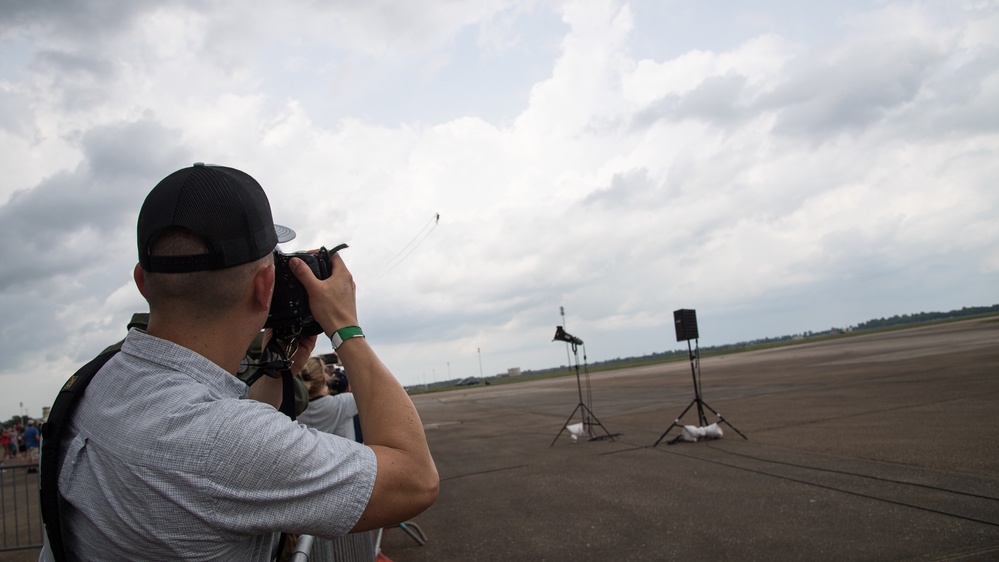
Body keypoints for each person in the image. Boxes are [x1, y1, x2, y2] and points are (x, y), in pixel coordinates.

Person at [41, 163, 438, 561]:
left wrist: (277, 366)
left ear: (142, 281)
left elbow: (227, 449)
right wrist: (345, 327)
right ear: (265, 286)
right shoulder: (223, 442)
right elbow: (415, 480)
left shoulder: (99, 380)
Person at [296, 357, 359, 441]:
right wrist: (346, 362)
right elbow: (370, 392)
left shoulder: (292, 410)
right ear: (324, 380)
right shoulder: (343, 403)